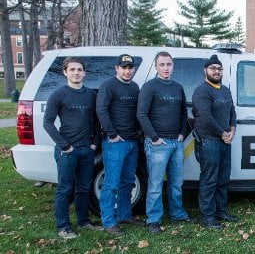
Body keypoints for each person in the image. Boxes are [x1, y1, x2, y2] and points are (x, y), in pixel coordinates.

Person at [43, 57, 102, 239]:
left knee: (84, 187)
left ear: (84, 72)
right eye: (72, 69)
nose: (76, 73)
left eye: (79, 70)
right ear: (65, 72)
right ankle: (63, 226)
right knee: (65, 188)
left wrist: (94, 144)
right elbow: (48, 123)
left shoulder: (91, 95)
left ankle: (83, 221)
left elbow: (97, 122)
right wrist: (64, 145)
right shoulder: (59, 94)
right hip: (67, 152)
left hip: (87, 150)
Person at [137, 51, 192, 235]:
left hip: (176, 143)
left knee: (176, 182)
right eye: (162, 64)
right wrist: (154, 138)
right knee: (155, 185)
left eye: (169, 64)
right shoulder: (149, 87)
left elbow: (184, 114)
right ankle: (153, 219)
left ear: (173, 66)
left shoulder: (178, 88)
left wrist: (182, 134)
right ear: (156, 66)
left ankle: (177, 213)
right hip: (157, 144)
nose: (166, 68)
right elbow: (142, 114)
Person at [96, 54, 144, 236]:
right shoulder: (108, 86)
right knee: (111, 183)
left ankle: (125, 215)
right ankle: (108, 221)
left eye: (130, 67)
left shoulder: (134, 87)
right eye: (124, 67)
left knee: (128, 181)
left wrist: (138, 132)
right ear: (117, 68)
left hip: (132, 141)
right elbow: (101, 110)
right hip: (116, 143)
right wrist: (112, 134)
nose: (127, 71)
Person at [192, 54, 238, 229]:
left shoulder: (225, 90)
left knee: (223, 178)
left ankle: (221, 211)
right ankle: (207, 216)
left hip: (225, 141)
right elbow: (205, 117)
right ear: (205, 71)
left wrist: (232, 130)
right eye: (213, 68)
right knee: (209, 180)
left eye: (219, 68)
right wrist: (223, 133)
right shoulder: (201, 91)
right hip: (209, 141)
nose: (216, 71)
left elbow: (232, 112)